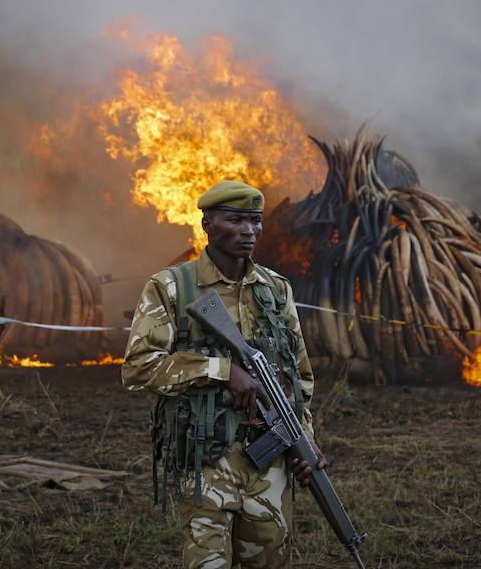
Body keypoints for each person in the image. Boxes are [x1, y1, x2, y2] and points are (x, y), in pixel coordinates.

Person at [122, 180, 327, 568]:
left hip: (270, 461)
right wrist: (220, 371)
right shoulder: (171, 286)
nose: (248, 231)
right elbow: (138, 367)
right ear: (208, 224)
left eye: (254, 221)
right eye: (235, 220)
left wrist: (305, 440)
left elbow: (299, 377)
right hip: (205, 459)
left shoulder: (275, 290)